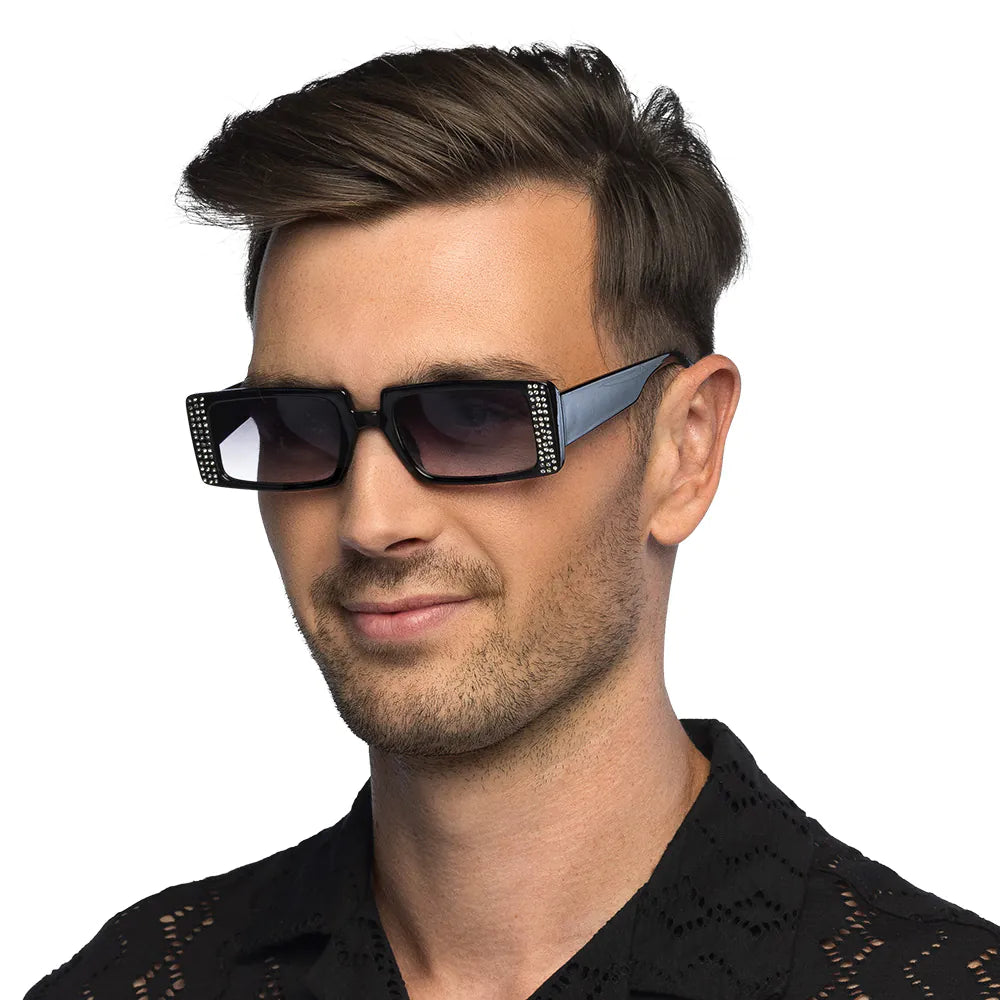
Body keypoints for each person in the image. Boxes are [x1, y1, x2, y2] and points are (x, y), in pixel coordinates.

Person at [25, 41, 998, 1000]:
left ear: (684, 448)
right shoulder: (130, 983)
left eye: (471, 418)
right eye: (294, 426)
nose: (371, 519)